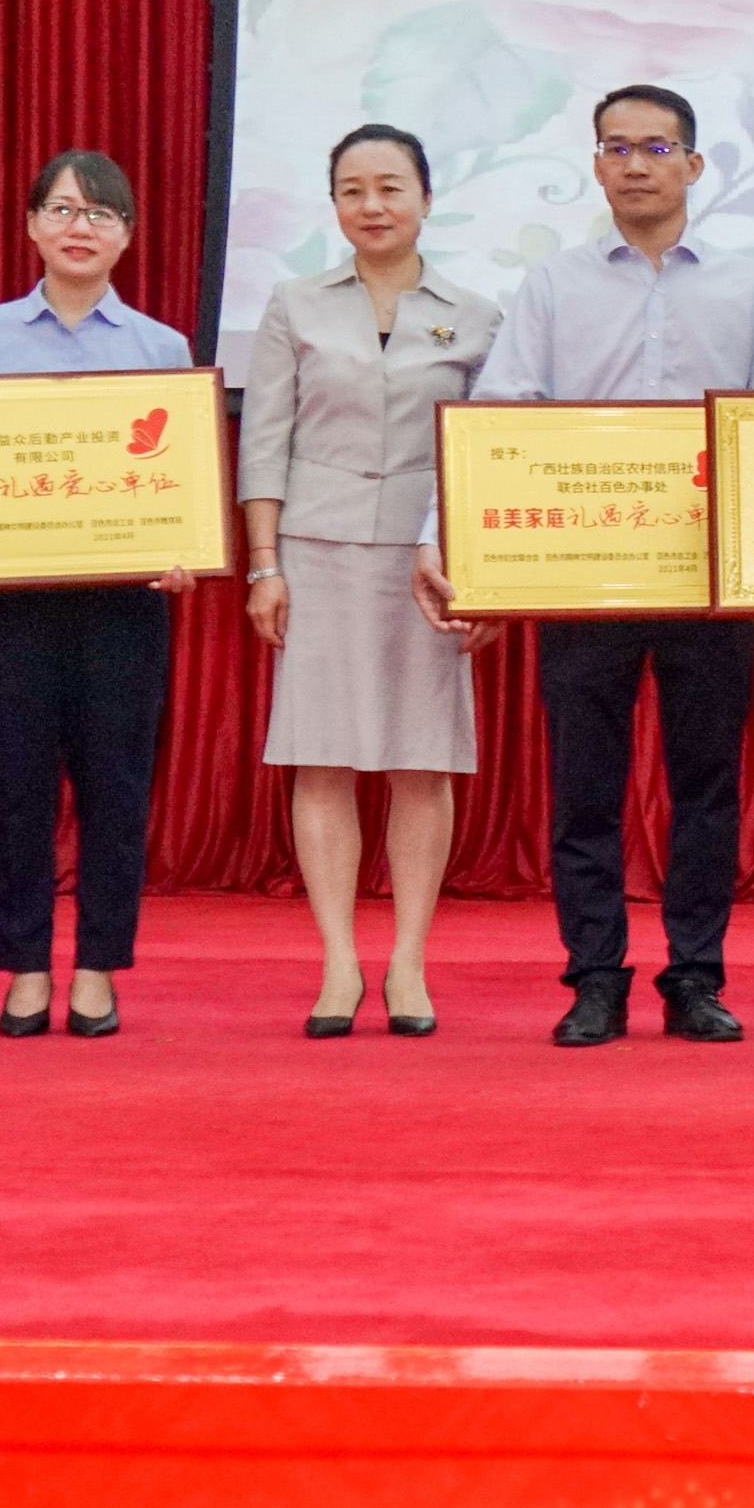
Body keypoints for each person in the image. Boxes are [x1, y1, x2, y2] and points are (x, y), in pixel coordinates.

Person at [470, 83, 754, 1049]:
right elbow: (501, 416)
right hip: (586, 574)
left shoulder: (750, 289)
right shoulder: (551, 287)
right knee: (585, 788)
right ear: (596, 165)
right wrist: (461, 546)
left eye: (656, 148)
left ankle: (695, 976)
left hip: (707, 579)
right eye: (616, 148)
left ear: (693, 165)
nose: (635, 165)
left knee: (706, 788)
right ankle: (594, 978)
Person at [0, 151, 202, 1037]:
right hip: (6, 608)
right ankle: (22, 967)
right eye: (61, 209)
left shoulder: (160, 348)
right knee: (14, 789)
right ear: (32, 226)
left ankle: (96, 968)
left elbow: (179, 484)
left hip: (122, 607)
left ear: (126, 236)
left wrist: (185, 550)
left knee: (116, 791)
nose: (80, 228)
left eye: (101, 214)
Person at [241, 121, 492, 1039]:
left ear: (426, 197)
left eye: (391, 187)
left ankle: (410, 962)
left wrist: (483, 576)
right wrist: (264, 565)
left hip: (428, 561)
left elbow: (488, 456)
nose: (373, 205)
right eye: (353, 191)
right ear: (335, 205)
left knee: (423, 759)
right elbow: (264, 442)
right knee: (322, 756)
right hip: (316, 549)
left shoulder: (475, 315)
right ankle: (339, 962)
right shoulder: (294, 304)